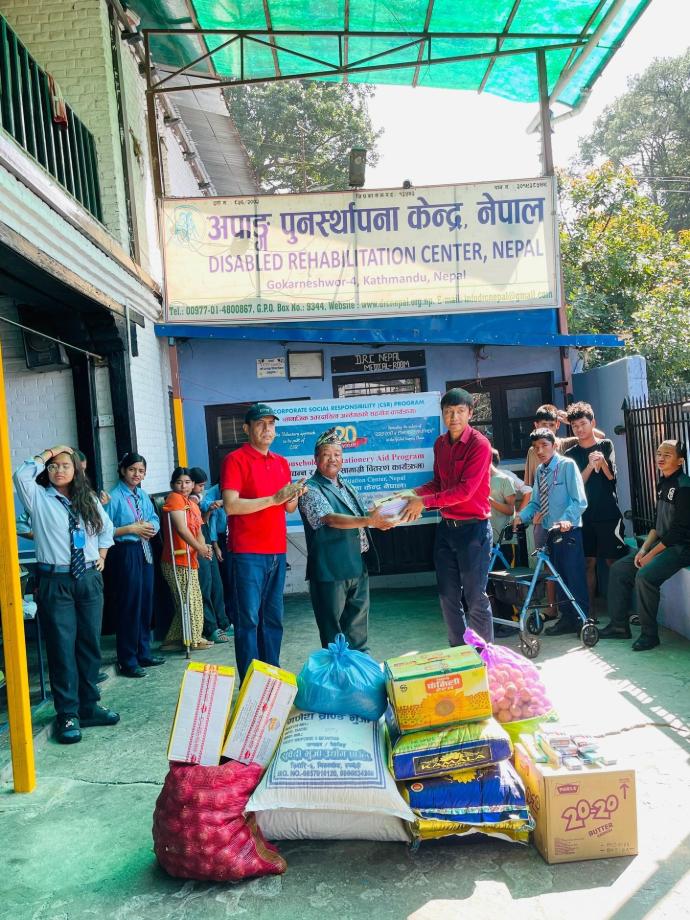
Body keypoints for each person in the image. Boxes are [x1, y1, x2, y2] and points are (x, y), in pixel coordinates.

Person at [13, 445, 118, 745]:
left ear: (76, 471)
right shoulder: (38, 498)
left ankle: (89, 706)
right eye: (53, 466)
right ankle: (67, 713)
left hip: (88, 578)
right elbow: (21, 475)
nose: (58, 470)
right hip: (55, 581)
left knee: (89, 644)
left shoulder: (89, 500)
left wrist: (102, 556)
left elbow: (106, 529)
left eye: (65, 465)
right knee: (61, 647)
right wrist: (53, 451)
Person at [400, 388, 494, 644]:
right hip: (446, 530)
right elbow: (438, 484)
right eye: (449, 412)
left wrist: (423, 502)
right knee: (447, 597)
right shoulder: (440, 444)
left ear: (470, 413)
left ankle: (484, 657)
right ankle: (459, 653)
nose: (454, 417)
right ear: (442, 414)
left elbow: (465, 491)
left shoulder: (480, 445)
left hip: (474, 530)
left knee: (475, 598)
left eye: (460, 411)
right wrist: (412, 493)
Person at [222, 403, 305, 681]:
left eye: (271, 424)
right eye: (260, 423)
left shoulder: (281, 462)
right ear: (246, 429)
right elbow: (231, 506)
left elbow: (288, 508)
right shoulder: (235, 460)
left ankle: (272, 678)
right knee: (248, 621)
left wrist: (294, 495)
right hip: (247, 552)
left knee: (273, 619)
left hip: (276, 551)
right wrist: (274, 499)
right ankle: (250, 683)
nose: (267, 429)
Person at [298, 428, 396, 651]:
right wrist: (370, 520)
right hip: (331, 570)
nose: (333, 459)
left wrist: (386, 515)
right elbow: (330, 519)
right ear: (316, 459)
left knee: (358, 631)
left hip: (356, 565)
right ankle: (339, 672)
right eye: (326, 454)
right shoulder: (310, 489)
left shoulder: (346, 486)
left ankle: (360, 670)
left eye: (337, 454)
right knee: (334, 636)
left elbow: (361, 517)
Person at [599, 439, 690, 651]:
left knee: (645, 576)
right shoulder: (663, 482)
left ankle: (649, 635)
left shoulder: (684, 487)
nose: (661, 458)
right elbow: (657, 524)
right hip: (661, 544)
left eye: (667, 454)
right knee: (619, 569)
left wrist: (650, 556)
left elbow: (678, 531)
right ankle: (619, 626)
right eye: (659, 453)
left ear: (680, 461)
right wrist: (643, 549)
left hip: (681, 548)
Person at [514, 429, 589, 636]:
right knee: (559, 577)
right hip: (550, 532)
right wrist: (521, 516)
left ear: (554, 445)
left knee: (573, 576)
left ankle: (582, 619)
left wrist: (566, 519)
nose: (540, 451)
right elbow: (536, 503)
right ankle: (567, 619)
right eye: (535, 447)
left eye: (544, 445)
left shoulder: (567, 465)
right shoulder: (540, 471)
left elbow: (580, 501)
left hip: (568, 531)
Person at [105, 452, 164, 678]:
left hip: (145, 548)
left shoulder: (142, 495)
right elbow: (104, 530)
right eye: (132, 470)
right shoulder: (113, 497)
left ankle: (143, 653)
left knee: (145, 602)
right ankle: (128, 660)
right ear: (123, 470)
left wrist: (150, 527)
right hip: (125, 552)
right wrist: (131, 529)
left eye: (141, 471)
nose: (136, 474)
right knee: (129, 604)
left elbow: (155, 519)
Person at [565, 402, 627, 612]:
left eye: (583, 424)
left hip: (608, 514)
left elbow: (612, 478)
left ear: (593, 423)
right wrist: (590, 466)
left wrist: (602, 463)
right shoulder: (571, 454)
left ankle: (621, 613)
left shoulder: (606, 445)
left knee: (614, 562)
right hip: (584, 517)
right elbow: (575, 485)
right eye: (575, 426)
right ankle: (589, 613)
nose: (579, 429)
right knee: (587, 563)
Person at [160, 467, 213, 651]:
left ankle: (173, 639)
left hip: (190, 559)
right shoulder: (174, 498)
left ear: (193, 484)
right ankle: (194, 639)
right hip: (177, 559)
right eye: (179, 482)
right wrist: (200, 548)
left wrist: (204, 547)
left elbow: (199, 531)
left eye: (187, 482)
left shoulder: (192, 504)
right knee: (190, 601)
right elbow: (182, 529)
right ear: (173, 484)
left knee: (190, 599)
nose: (183, 486)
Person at [189, 467, 232, 644]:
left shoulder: (199, 498)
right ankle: (211, 627)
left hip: (204, 536)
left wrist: (208, 510)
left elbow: (204, 520)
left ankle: (223, 623)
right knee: (205, 585)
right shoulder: (187, 501)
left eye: (202, 486)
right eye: (199, 485)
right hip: (196, 542)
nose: (201, 489)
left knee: (217, 584)